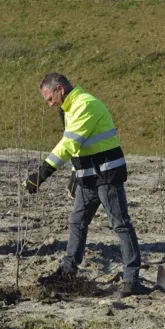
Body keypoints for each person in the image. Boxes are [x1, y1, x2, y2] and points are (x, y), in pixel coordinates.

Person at [25, 72, 146, 297]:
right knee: (77, 221)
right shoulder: (69, 108)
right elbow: (79, 146)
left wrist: (41, 174)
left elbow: (69, 143)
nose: (50, 104)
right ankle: (68, 271)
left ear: (60, 89)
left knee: (120, 224)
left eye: (50, 98)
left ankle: (132, 280)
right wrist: (75, 175)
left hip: (107, 174)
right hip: (89, 176)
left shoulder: (85, 104)